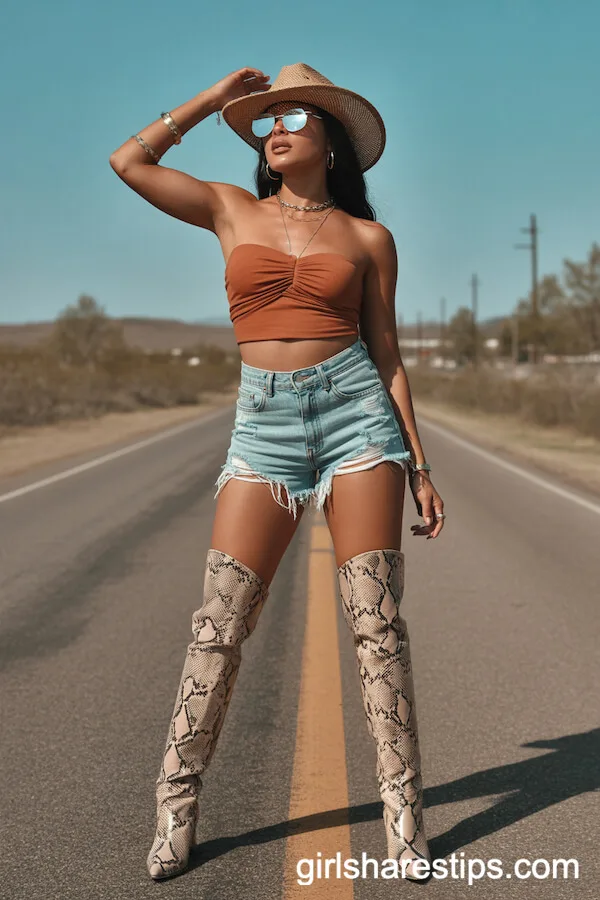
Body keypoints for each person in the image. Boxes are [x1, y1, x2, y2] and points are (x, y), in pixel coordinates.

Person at [109, 62, 446, 883]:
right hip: (263, 427)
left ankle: (404, 813)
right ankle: (176, 806)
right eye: (268, 122)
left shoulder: (368, 239)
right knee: (218, 626)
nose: (275, 130)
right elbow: (130, 162)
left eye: (295, 117)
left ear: (332, 142)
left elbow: (387, 354)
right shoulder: (231, 209)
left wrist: (419, 464)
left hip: (358, 419)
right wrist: (209, 101)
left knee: (376, 625)